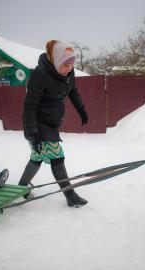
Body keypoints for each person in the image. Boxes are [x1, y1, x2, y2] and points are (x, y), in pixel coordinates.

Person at [19, 40, 89, 207]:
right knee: (57, 156)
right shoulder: (39, 75)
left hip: (52, 122)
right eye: (65, 65)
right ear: (56, 61)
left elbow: (73, 91)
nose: (69, 69)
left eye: (72, 64)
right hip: (38, 123)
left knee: (37, 157)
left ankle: (21, 187)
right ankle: (70, 195)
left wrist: (81, 109)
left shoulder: (68, 74)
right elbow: (30, 105)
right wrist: (31, 132)